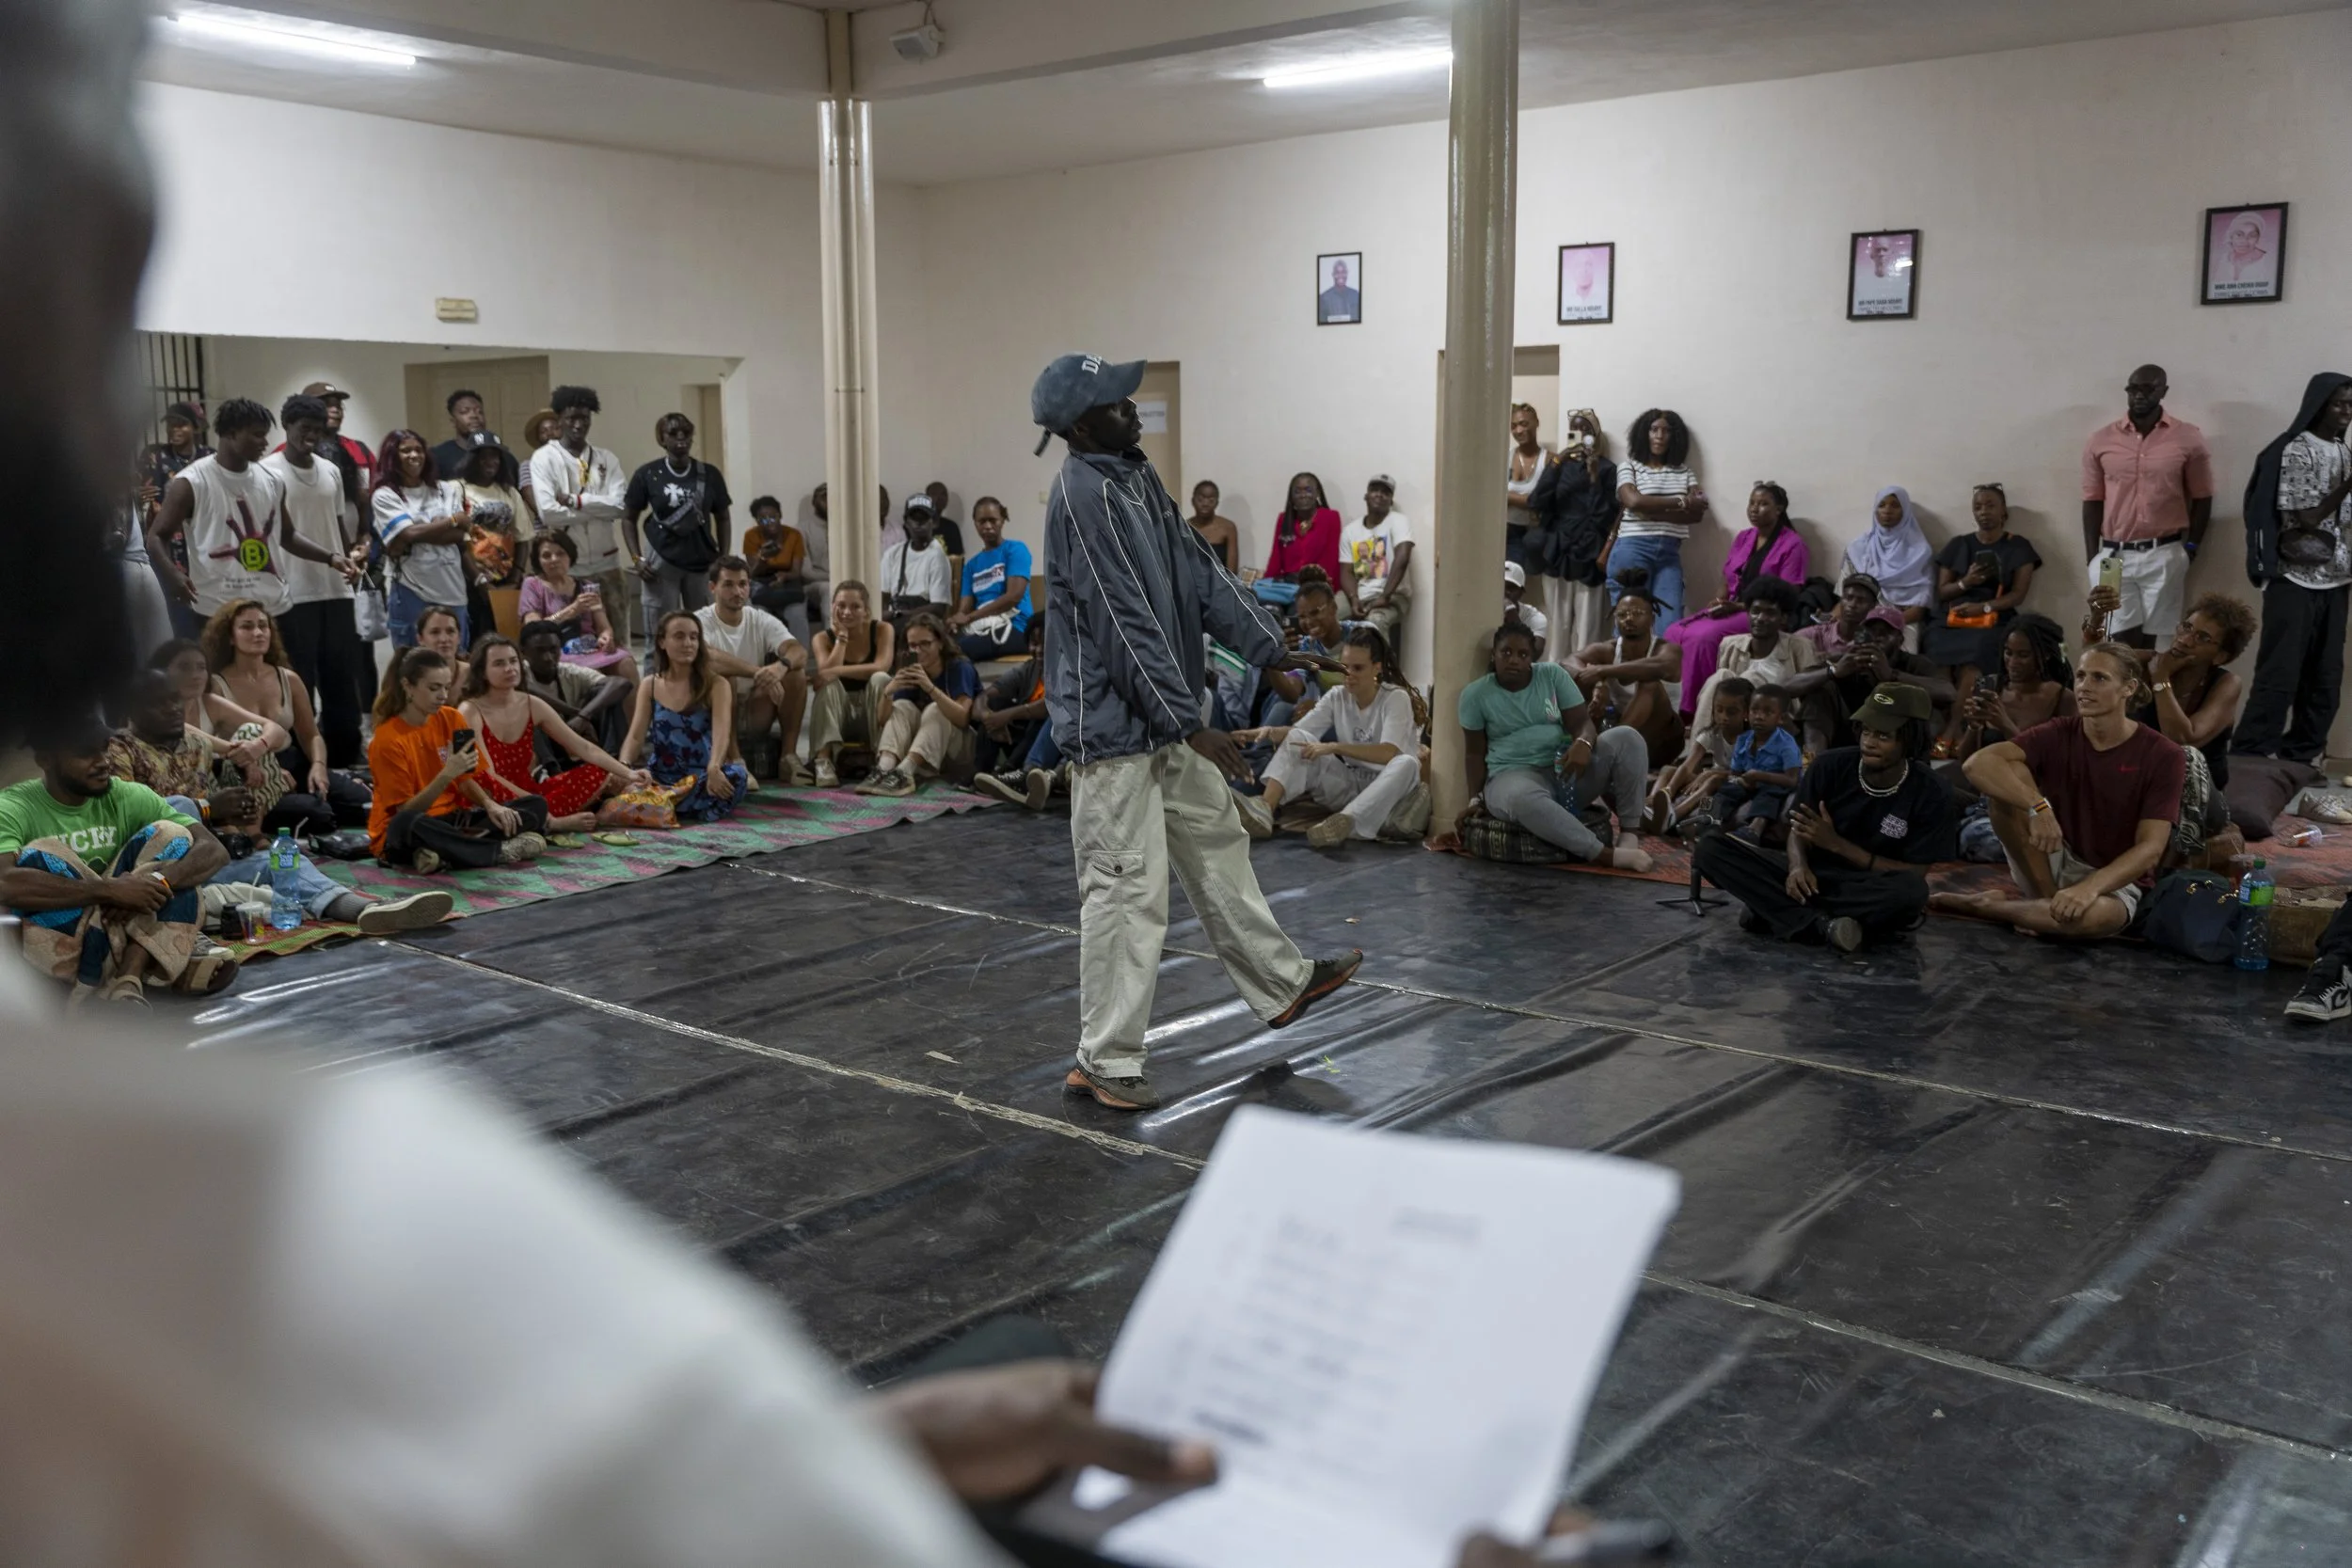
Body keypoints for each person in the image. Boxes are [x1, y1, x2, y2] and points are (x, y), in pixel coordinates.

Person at [1034, 352, 1357, 1112]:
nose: (1132, 408)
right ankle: (1106, 1059)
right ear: (1082, 427)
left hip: (1158, 718)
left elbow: (1199, 571)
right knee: (1126, 889)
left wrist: (1269, 647)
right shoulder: (1082, 498)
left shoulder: (1134, 476)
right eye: (1117, 402)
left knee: (1215, 836)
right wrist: (1189, 721)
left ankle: (1280, 983)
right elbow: (1122, 623)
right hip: (1115, 730)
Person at [109, 668, 450, 936]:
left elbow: (271, 740)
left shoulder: (195, 744)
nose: (173, 710)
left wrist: (236, 807)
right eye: (160, 704)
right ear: (133, 712)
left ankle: (365, 910)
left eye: (175, 701)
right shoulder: (119, 751)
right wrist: (209, 808)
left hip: (207, 858)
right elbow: (135, 821)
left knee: (285, 861)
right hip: (155, 873)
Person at [1935, 642, 2185, 939]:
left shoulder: (2164, 754)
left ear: (2128, 688)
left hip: (2113, 880)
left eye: (2099, 678)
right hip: (2051, 859)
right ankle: (2045, 905)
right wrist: (2038, 806)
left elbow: (2150, 850)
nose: (2084, 687)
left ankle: (1987, 907)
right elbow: (1977, 764)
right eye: (2080, 676)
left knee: (2096, 918)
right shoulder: (2060, 731)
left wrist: (2090, 888)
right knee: (2010, 770)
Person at [1694, 683, 1955, 953]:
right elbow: (1797, 829)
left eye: (1883, 735)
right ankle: (1821, 926)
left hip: (1866, 885)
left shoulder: (1933, 792)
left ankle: (1778, 911)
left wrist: (1837, 845)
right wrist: (1797, 867)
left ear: (1910, 739)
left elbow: (1915, 873)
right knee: (1710, 849)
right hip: (1813, 874)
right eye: (1866, 731)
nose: (1869, 742)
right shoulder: (1828, 765)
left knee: (1911, 893)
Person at [2, 714, 231, 1006]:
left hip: (124, 923)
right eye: (86, 753)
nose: (102, 762)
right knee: (41, 854)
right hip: (62, 944)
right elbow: (4, 883)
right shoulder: (13, 806)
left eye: (104, 748)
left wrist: (158, 882)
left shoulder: (127, 795)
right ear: (46, 759)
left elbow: (213, 849)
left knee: (173, 836)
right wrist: (110, 891)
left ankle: (127, 980)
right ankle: (153, 972)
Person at [1457, 621, 1654, 871]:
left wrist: (1583, 743)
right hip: (1512, 777)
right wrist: (1475, 800)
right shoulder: (1475, 695)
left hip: (1566, 772)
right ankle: (1603, 855)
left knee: (1627, 738)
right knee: (1521, 798)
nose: (1514, 660)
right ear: (1493, 655)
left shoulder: (1552, 675)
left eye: (1523, 654)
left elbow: (1582, 723)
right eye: (1506, 652)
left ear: (1532, 658)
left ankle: (1629, 836)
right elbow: (1474, 754)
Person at [146, 398, 356, 626]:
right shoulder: (191, 482)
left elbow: (287, 535)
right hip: (217, 608)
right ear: (231, 433)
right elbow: (156, 536)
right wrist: (173, 575)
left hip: (271, 607)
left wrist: (331, 558)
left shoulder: (273, 480)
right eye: (257, 435)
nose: (265, 442)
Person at [2234, 372, 2352, 763]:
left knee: (2325, 678)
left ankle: (2301, 756)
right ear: (2319, 404)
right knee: (2280, 673)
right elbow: (2308, 518)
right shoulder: (2297, 450)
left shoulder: (2343, 450)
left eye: (2351, 405)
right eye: (2339, 403)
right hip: (2294, 579)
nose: (2347, 411)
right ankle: (2251, 755)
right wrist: (2348, 484)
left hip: (2337, 579)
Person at [1237, 626, 1428, 850]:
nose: (1349, 674)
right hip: (1353, 784)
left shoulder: (1395, 698)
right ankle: (1264, 810)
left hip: (1391, 792)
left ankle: (1347, 821)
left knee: (1406, 763)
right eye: (1345, 667)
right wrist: (1268, 731)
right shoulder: (1337, 696)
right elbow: (1298, 731)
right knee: (1299, 738)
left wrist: (1334, 747)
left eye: (1358, 668)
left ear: (1377, 667)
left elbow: (1388, 752)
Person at [260, 392, 370, 768]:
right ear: (287, 426)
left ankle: (346, 754)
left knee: (341, 676)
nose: (311, 436)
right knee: (298, 678)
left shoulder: (331, 470)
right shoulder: (268, 472)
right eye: (304, 428)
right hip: (292, 591)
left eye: (318, 430)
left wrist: (348, 559)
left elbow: (337, 525)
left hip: (335, 587)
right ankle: (301, 760)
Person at [368, 646, 549, 873]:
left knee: (535, 805)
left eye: (446, 687)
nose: (443, 696)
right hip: (408, 830)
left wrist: (490, 805)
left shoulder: (452, 718)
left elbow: (465, 779)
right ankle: (496, 851)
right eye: (434, 688)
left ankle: (444, 853)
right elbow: (406, 810)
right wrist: (446, 775)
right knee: (407, 824)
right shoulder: (386, 740)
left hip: (453, 821)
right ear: (408, 686)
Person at [201, 598, 370, 835]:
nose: (258, 633)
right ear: (230, 637)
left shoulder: (288, 678)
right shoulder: (216, 684)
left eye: (263, 626)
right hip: (248, 773)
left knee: (362, 802)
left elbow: (311, 735)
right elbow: (207, 747)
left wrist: (319, 766)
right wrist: (271, 772)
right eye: (247, 627)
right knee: (319, 815)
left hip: (292, 763)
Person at [2081, 364, 2216, 647]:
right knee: (2118, 638)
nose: (2139, 395)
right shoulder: (2101, 440)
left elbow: (2203, 496)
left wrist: (2191, 548)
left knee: (2158, 642)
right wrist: (2092, 557)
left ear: (2163, 391)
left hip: (2164, 553)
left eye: (2147, 389)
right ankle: (2125, 680)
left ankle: (2152, 679)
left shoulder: (2187, 437)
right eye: (2133, 389)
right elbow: (2092, 500)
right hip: (2114, 554)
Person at [460, 635, 649, 833]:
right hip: (492, 800)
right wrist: (536, 804)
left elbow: (584, 748)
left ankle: (545, 819)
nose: (510, 668)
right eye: (499, 664)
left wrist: (629, 773)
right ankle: (552, 823)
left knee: (598, 772)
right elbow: (488, 776)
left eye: (513, 661)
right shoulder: (469, 710)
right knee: (485, 781)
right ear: (482, 672)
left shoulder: (532, 704)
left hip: (531, 795)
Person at [1663, 481, 1809, 715]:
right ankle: (1668, 704)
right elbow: (1726, 577)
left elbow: (1790, 593)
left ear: (1779, 509)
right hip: (1731, 607)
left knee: (1702, 638)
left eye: (1763, 504)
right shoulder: (1744, 537)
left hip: (1757, 614)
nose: (1754, 509)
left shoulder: (1792, 544)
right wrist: (1719, 600)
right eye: (1752, 503)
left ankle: (1693, 709)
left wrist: (1738, 606)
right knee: (1674, 631)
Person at [1924, 483, 2041, 751]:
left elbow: (2018, 595)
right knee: (1935, 651)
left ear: (2003, 512)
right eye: (1978, 507)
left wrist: (1984, 607)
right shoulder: (1959, 544)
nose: (1984, 511)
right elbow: (1942, 592)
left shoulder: (2018, 547)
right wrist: (1966, 582)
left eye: (1990, 505)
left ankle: (1955, 728)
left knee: (1975, 659)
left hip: (1994, 617)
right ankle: (1937, 727)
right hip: (1953, 617)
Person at [621, 610, 751, 823]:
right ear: (662, 642)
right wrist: (624, 768)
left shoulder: (717, 685)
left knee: (737, 776)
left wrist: (714, 767)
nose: (688, 643)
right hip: (660, 777)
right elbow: (635, 737)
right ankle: (674, 805)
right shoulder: (650, 684)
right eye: (679, 636)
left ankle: (664, 806)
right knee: (626, 782)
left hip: (702, 776)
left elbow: (722, 734)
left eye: (694, 637)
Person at [1687, 577, 1830, 759]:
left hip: (1779, 724)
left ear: (1783, 618)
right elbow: (1721, 696)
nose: (1760, 619)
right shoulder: (1730, 645)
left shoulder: (1799, 646)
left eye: (1770, 613)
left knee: (1750, 678)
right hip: (1736, 723)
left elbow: (1809, 695)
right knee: (1721, 676)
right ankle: (1698, 754)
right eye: (1755, 611)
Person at [696, 554, 809, 784]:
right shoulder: (700, 620)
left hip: (755, 709)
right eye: (728, 585)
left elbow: (798, 651)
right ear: (713, 587)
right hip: (712, 713)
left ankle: (788, 757)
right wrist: (758, 672)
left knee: (795, 674)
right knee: (725, 678)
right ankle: (735, 760)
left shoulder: (759, 619)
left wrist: (781, 667)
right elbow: (708, 658)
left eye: (742, 584)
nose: (737, 591)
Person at [528, 385, 629, 628]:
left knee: (617, 638)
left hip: (608, 565)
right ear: (559, 419)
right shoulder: (544, 458)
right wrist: (599, 511)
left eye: (584, 418)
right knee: (576, 639)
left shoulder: (606, 459)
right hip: (568, 570)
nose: (578, 425)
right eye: (571, 418)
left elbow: (620, 507)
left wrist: (578, 501)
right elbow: (549, 513)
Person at [623, 410, 730, 637]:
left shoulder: (709, 474)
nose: (681, 437)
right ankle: (658, 663)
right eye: (673, 433)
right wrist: (636, 559)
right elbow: (628, 518)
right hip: (660, 561)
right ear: (662, 439)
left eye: (686, 432)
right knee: (660, 631)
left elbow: (723, 517)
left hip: (701, 560)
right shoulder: (648, 473)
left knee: (705, 631)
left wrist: (722, 557)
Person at [1566, 568, 1683, 768]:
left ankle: (1609, 748)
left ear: (1652, 618)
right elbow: (1567, 662)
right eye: (1622, 614)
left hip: (1663, 740)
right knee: (1580, 679)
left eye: (1637, 613)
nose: (1629, 618)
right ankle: (1586, 740)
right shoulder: (1607, 650)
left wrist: (1603, 671)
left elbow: (1666, 667)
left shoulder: (1667, 649)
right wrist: (1598, 683)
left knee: (1650, 681)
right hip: (1629, 737)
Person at [854, 611, 978, 798]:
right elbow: (883, 720)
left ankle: (905, 772)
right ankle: (884, 768)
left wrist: (930, 688)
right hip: (927, 751)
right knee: (903, 705)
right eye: (913, 645)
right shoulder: (911, 668)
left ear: (940, 643)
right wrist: (889, 692)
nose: (918, 651)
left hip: (960, 751)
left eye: (925, 644)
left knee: (935, 709)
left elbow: (962, 718)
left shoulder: (959, 667)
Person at [1524, 408, 1617, 658]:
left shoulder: (1608, 469)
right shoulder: (1560, 467)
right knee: (1558, 628)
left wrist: (1594, 477)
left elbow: (1605, 516)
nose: (1581, 434)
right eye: (1575, 429)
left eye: (1586, 429)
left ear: (1595, 434)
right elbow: (1536, 501)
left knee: (1588, 629)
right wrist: (1557, 462)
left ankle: (1583, 678)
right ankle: (1555, 678)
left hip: (1590, 552)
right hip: (1559, 550)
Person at [372, 427, 472, 650]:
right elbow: (409, 533)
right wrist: (452, 520)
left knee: (455, 658)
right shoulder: (385, 495)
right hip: (412, 590)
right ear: (392, 456)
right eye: (405, 450)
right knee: (413, 661)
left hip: (452, 589)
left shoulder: (444, 489)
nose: (414, 455)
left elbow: (459, 534)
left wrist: (413, 534)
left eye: (418, 450)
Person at [1606, 407, 1705, 628]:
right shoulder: (1629, 467)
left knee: (1670, 626)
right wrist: (1681, 502)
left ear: (1675, 437)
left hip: (1669, 555)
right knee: (1629, 625)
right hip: (1632, 550)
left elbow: (1698, 511)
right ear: (1644, 433)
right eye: (1654, 430)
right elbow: (1633, 501)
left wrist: (1649, 511)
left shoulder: (1685, 472)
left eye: (1666, 431)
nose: (1660, 436)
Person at [1952, 613, 2076, 769]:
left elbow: (2060, 767)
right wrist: (1974, 727)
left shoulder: (2062, 699)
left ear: (2046, 655)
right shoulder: (1993, 688)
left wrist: (2005, 725)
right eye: (2008, 653)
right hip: (1986, 779)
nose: (2012, 662)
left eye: (2023, 655)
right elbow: (1966, 763)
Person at [805, 580, 897, 789]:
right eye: (841, 605)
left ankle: (883, 760)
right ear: (832, 608)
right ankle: (823, 761)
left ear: (866, 611)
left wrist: (836, 671)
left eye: (855, 606)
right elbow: (826, 675)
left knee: (880, 678)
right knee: (829, 686)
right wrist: (841, 640)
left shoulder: (882, 629)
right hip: (839, 716)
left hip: (871, 713)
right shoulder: (822, 638)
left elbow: (881, 666)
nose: (847, 612)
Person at [517, 529, 637, 686]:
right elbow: (533, 628)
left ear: (570, 556)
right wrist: (572, 610)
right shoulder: (532, 585)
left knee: (626, 664)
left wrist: (606, 636)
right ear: (538, 560)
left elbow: (604, 626)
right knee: (592, 673)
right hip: (556, 650)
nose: (554, 559)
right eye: (546, 555)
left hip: (589, 646)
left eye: (560, 554)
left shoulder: (586, 586)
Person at [137, 400, 213, 638]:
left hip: (204, 543)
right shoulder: (155, 457)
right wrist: (137, 496)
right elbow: (145, 495)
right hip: (169, 545)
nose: (174, 430)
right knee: (178, 614)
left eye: (182, 424)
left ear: (196, 428)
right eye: (171, 424)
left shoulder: (209, 457)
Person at [1647, 675, 1755, 837]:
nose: (1724, 717)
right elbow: (1688, 765)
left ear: (1746, 713)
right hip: (1710, 775)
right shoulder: (1712, 733)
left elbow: (1745, 774)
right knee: (1668, 770)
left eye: (1731, 712)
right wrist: (1670, 790)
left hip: (1732, 782)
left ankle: (1674, 815)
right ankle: (1653, 804)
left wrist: (1711, 773)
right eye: (1719, 710)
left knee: (1712, 780)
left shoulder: (1750, 739)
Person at [969, 620, 1060, 809]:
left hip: (1049, 746)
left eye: (1045, 643)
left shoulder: (1064, 669)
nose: (1039, 650)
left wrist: (1008, 715)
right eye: (1034, 643)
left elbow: (1051, 706)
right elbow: (983, 697)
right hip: (1020, 742)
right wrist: (990, 719)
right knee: (995, 704)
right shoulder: (1027, 669)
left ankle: (1012, 773)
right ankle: (981, 774)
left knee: (1040, 717)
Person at [517, 618, 634, 754]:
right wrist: (578, 714)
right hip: (542, 745)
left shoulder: (569, 671)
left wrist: (584, 715)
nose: (548, 657)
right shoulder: (516, 673)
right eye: (539, 651)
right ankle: (549, 766)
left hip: (574, 734)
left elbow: (621, 683)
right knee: (531, 713)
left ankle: (613, 760)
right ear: (523, 651)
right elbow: (528, 691)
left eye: (553, 650)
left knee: (606, 697)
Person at [457, 431, 530, 643]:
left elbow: (523, 537)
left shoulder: (509, 492)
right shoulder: (456, 489)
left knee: (506, 639)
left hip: (505, 581)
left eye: (495, 456)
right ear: (472, 459)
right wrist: (479, 581)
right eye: (483, 456)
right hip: (468, 581)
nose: (490, 461)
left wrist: (515, 578)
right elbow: (457, 542)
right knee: (475, 642)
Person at [1707, 684, 1802, 838]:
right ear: (1747, 713)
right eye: (1755, 710)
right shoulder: (1743, 740)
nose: (1759, 716)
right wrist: (1741, 781)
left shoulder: (1787, 744)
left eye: (1768, 712)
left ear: (1781, 718)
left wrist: (1760, 776)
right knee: (1726, 789)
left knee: (1769, 795)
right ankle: (1706, 820)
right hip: (1750, 783)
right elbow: (1735, 773)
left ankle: (1754, 830)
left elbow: (1792, 780)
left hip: (1777, 784)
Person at [1840, 485, 1935, 639]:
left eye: (1895, 505)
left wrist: (1884, 624)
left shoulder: (1920, 552)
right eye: (1882, 505)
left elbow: (1919, 609)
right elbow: (1843, 594)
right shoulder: (1858, 548)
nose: (1887, 510)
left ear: (1905, 511)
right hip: (1859, 618)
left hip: (1902, 621)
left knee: (1897, 650)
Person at [946, 495, 1034, 661]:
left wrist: (971, 617)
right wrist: (957, 620)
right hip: (983, 626)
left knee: (957, 651)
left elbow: (1013, 597)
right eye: (982, 521)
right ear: (975, 523)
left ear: (1002, 520)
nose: (987, 526)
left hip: (1016, 626)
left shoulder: (1015, 550)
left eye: (993, 520)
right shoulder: (971, 565)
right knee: (941, 645)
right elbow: (965, 607)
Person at [1341, 473, 1414, 652]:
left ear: (1391, 501)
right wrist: (1353, 599)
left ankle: (1381, 669)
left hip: (1394, 596)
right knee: (1327, 612)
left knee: (1375, 621)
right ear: (1366, 496)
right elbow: (1346, 571)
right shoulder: (1351, 531)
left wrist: (1385, 596)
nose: (1379, 495)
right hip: (1360, 594)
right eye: (1375, 490)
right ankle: (1330, 665)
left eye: (1385, 493)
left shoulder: (1398, 521)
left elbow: (1403, 557)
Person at [741, 492, 815, 629]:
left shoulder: (793, 535)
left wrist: (784, 576)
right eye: (763, 520)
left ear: (780, 515)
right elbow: (753, 573)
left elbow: (796, 571)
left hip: (789, 583)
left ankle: (800, 645)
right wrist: (763, 558)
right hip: (762, 585)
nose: (769, 523)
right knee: (757, 614)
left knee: (797, 615)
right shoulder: (751, 535)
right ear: (757, 521)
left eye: (773, 517)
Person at [430, 388, 523, 491]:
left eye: (480, 412)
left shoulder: (505, 458)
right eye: (465, 412)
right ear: (453, 421)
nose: (474, 416)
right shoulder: (437, 457)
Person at [879, 495, 954, 621]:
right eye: (914, 518)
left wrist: (899, 615)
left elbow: (938, 608)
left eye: (924, 518)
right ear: (906, 522)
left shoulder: (938, 557)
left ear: (934, 522)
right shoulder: (892, 553)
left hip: (924, 622)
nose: (919, 523)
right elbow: (883, 597)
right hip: (894, 620)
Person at [1263, 471, 1344, 584]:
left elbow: (1331, 559)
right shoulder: (1284, 519)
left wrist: (1323, 586)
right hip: (1288, 584)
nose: (1303, 495)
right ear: (1291, 496)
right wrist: (1265, 584)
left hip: (1318, 585)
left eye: (1308, 490)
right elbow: (1275, 559)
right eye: (1297, 491)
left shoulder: (1330, 517)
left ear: (1317, 493)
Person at [1796, 571, 1883, 661]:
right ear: (1841, 600)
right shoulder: (1814, 635)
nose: (1852, 604)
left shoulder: (1874, 645)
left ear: (1873, 606)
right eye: (1849, 598)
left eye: (1861, 600)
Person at [1504, 404, 1551, 568]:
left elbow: (1543, 501)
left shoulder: (1549, 460)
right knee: (1510, 579)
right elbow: (1491, 496)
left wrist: (1507, 497)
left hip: (1538, 535)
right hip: (1508, 532)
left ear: (1536, 423)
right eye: (1513, 426)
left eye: (1524, 424)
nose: (1518, 430)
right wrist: (1528, 500)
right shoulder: (1504, 458)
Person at [1187, 480, 1241, 574]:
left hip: (1221, 581)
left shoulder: (1228, 528)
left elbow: (1232, 571)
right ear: (1193, 501)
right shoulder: (1184, 527)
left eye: (1211, 500)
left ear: (1217, 503)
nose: (1205, 504)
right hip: (1190, 580)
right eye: (1200, 499)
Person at [1502, 561, 1549, 657]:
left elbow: (1534, 654)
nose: (1505, 592)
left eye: (1511, 588)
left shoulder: (1534, 617)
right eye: (1501, 587)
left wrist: (1511, 612)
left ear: (1521, 592)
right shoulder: (1482, 611)